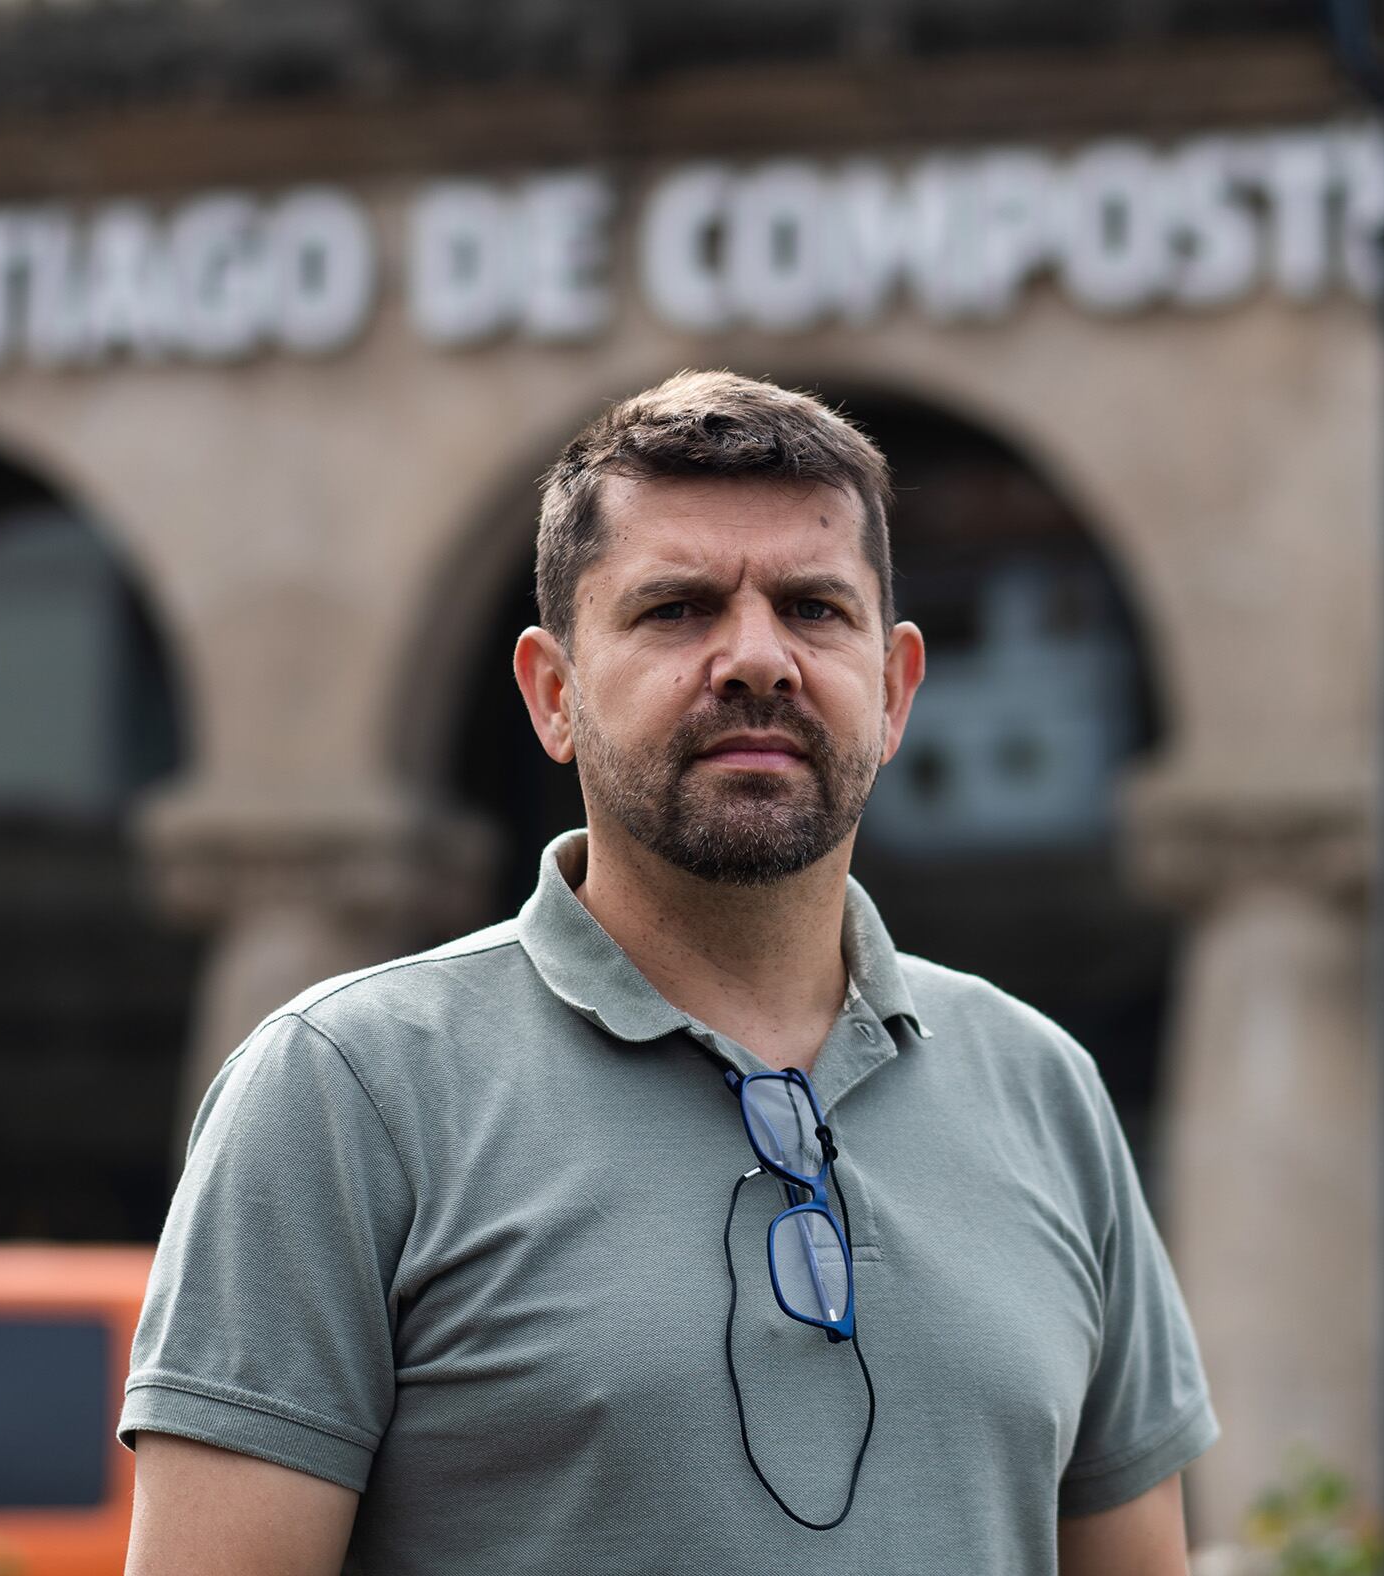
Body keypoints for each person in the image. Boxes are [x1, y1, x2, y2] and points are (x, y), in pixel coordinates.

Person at [118, 370, 1217, 1575]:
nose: (757, 660)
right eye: (677, 609)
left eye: (812, 608)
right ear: (552, 693)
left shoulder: (1042, 1087)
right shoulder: (344, 1091)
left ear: (897, 690)